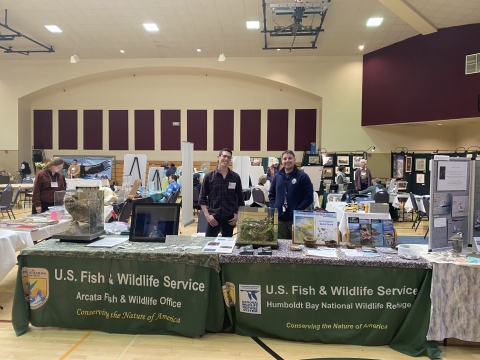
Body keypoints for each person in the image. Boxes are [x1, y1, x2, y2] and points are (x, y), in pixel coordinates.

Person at [199, 148, 245, 237]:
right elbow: (202, 199)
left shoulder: (235, 177)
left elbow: (240, 198)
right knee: (208, 244)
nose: (226, 159)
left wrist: (238, 215)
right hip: (214, 218)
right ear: (218, 157)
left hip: (230, 218)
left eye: (229, 157)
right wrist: (207, 216)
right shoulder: (209, 177)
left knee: (227, 246)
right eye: (224, 156)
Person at [269, 150, 314, 240]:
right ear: (282, 161)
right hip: (279, 220)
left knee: (297, 247)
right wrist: (274, 207)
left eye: (290, 158)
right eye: (285, 159)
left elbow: (309, 197)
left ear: (294, 160)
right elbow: (271, 194)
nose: (287, 161)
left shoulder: (302, 176)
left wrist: (297, 210)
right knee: (280, 247)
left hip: (297, 220)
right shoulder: (277, 177)